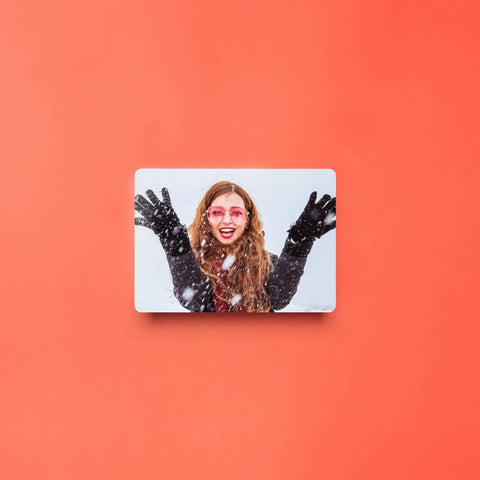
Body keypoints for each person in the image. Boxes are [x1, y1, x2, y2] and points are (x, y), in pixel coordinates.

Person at [135, 181, 335, 312]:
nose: (227, 220)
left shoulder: (266, 260)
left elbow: (279, 297)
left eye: (236, 213)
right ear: (207, 218)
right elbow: (192, 298)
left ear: (247, 219)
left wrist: (299, 242)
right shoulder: (195, 260)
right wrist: (175, 244)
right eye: (218, 212)